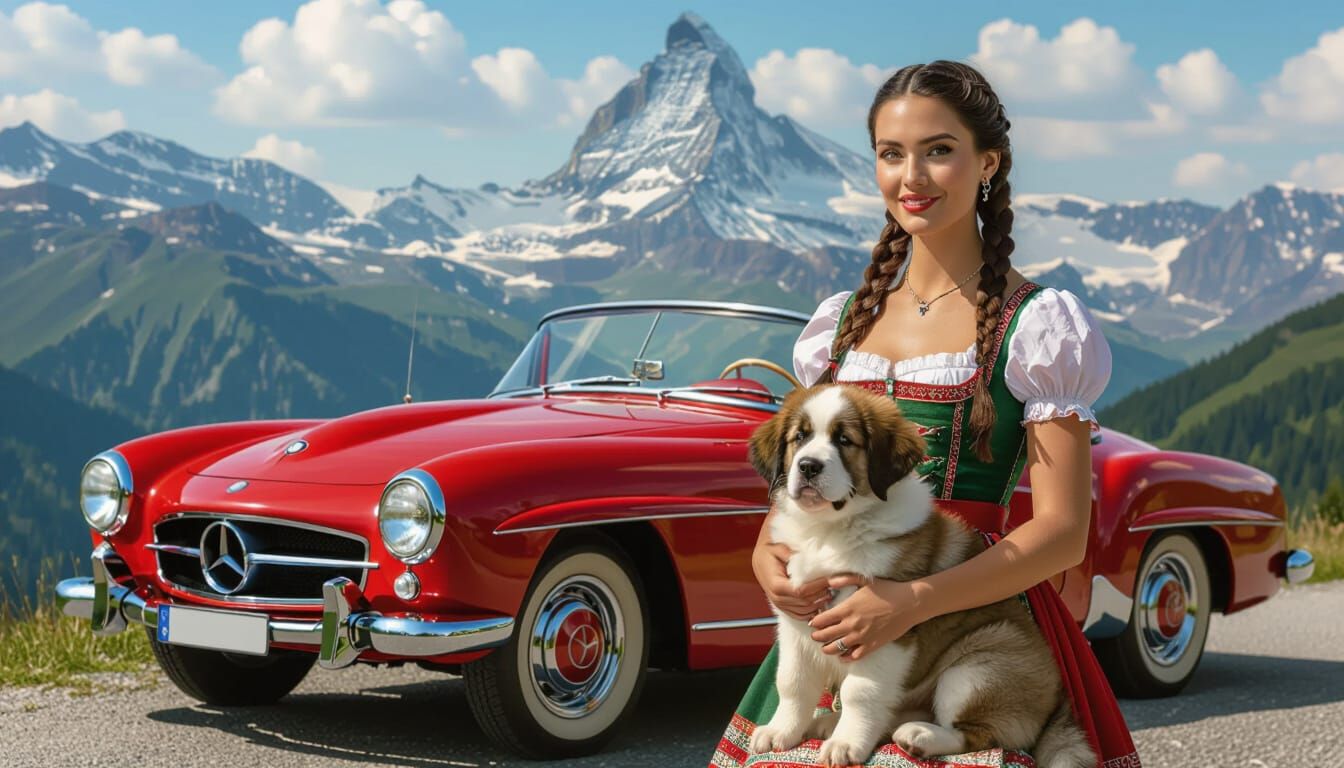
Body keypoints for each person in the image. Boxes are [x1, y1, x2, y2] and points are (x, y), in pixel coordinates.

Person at [709, 60, 1142, 768]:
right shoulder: (840, 325)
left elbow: (1063, 534)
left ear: (988, 163)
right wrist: (767, 559)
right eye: (891, 154)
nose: (912, 176)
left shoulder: (1037, 325)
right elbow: (792, 500)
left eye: (939, 150)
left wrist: (910, 600)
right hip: (835, 640)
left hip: (974, 623)